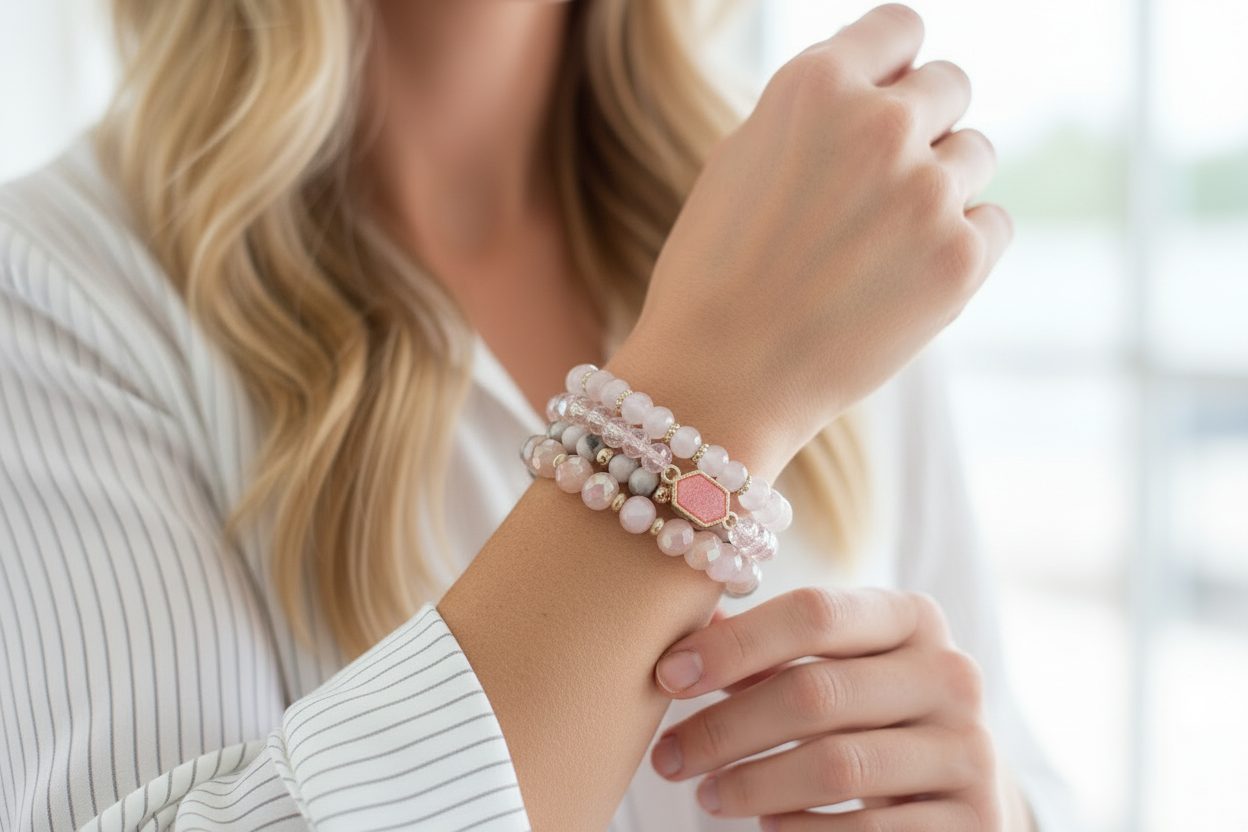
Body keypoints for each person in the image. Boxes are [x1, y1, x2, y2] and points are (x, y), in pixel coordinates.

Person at [0, 1, 1076, 830]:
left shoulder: (819, 212)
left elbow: (1010, 748)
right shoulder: (48, 291)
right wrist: (705, 396)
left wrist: (994, 809)